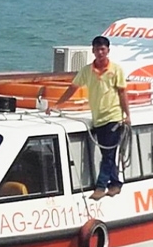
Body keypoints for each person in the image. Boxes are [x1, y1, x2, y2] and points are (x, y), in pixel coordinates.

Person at [46, 35, 131, 200]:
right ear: (92, 50)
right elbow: (73, 88)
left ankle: (101, 186)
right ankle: (115, 183)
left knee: (107, 154)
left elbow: (122, 93)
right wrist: (57, 105)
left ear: (108, 50)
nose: (100, 52)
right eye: (97, 49)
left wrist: (127, 115)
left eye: (103, 49)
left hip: (113, 116)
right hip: (98, 117)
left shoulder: (116, 70)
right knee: (108, 153)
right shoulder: (86, 70)